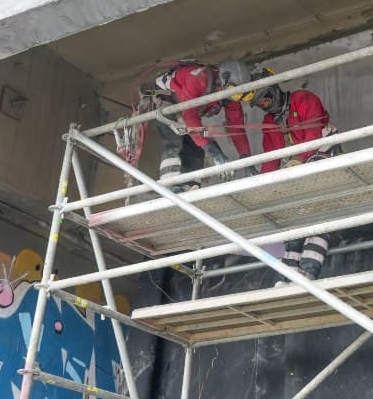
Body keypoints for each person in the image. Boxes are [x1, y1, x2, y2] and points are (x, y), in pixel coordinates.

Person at [252, 81, 338, 281]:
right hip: (296, 172)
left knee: (317, 219)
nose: (265, 105)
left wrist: (299, 159)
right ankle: (288, 278)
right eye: (261, 104)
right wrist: (262, 186)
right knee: (294, 225)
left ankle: (307, 272)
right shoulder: (269, 122)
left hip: (321, 160)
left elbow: (313, 134)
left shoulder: (303, 99)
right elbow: (271, 157)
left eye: (266, 99)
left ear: (274, 91)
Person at [143, 60, 254, 191]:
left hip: (185, 109)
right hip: (165, 98)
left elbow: (237, 129)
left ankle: (190, 186)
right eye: (235, 94)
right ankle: (171, 188)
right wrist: (215, 153)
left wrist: (247, 159)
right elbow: (190, 117)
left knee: (197, 146)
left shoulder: (231, 94)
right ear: (223, 81)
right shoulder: (198, 79)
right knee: (174, 143)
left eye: (239, 96)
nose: (235, 98)